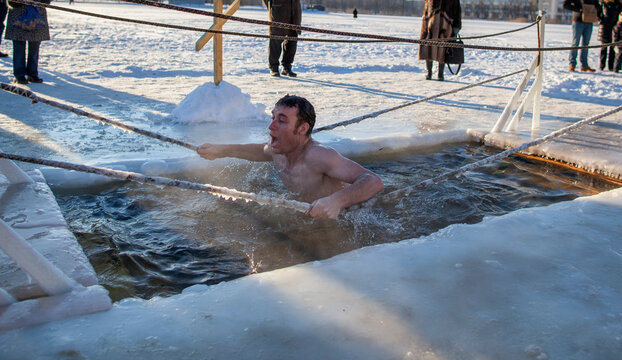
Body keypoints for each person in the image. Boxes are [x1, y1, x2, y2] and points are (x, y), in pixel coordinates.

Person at [196, 95, 384, 220]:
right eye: (273, 117)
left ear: (302, 129)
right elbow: (259, 151)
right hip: (313, 212)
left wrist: (337, 201)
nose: (271, 126)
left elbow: (373, 181)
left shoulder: (318, 156)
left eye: (282, 120)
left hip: (351, 214)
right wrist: (221, 150)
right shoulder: (278, 151)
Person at [5, 0, 50, 84]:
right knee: (19, 47)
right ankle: (19, 75)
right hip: (18, 15)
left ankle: (33, 74)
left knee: (34, 48)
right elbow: (11, 2)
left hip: (37, 15)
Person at [418, 0, 462, 81]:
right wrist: (425, 26)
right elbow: (426, 11)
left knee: (443, 50)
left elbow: (457, 12)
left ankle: (440, 74)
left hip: (446, 27)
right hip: (431, 26)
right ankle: (429, 72)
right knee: (429, 48)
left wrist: (456, 27)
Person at [262, 0, 301, 77]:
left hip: (294, 16)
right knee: (275, 44)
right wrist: (272, 7)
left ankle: (287, 68)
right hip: (278, 15)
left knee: (291, 44)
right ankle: (274, 68)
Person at [563, 0, 602, 72]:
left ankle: (584, 65)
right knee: (575, 43)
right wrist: (579, 9)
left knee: (586, 44)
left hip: (589, 21)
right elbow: (565, 5)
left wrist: (594, 9)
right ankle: (572, 64)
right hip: (578, 21)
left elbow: (598, 5)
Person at [598, 0, 622, 71]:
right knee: (604, 47)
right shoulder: (603, 3)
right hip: (605, 27)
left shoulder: (618, 4)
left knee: (613, 47)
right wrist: (601, 21)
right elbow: (598, 14)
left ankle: (611, 66)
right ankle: (602, 65)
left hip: (615, 27)